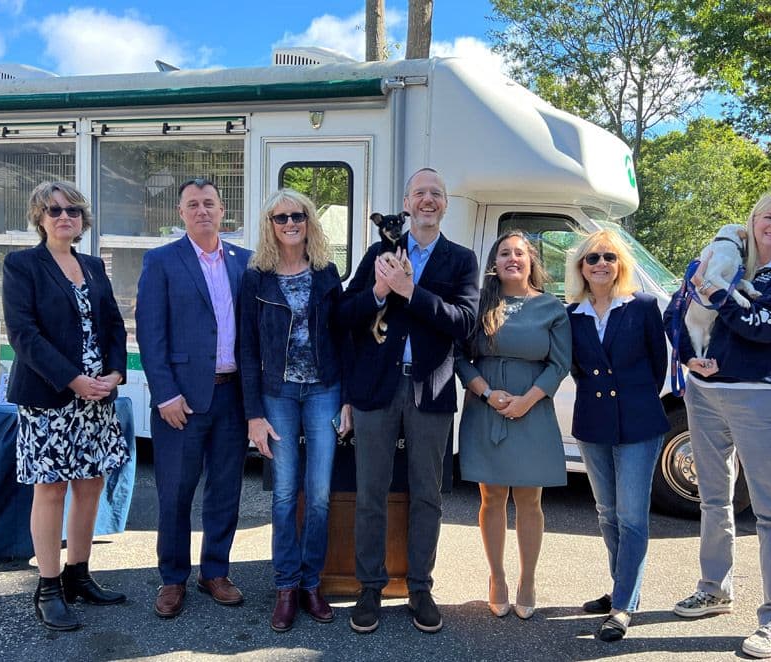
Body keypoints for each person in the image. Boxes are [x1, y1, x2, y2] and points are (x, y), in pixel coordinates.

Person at [665, 192, 771, 659]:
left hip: (758, 398)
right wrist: (688, 357)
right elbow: (676, 312)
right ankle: (714, 588)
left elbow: (763, 325)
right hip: (704, 394)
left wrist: (717, 295)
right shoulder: (725, 254)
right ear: (752, 221)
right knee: (713, 499)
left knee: (770, 509)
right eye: (767, 217)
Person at [339, 167, 479, 634]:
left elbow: (464, 323)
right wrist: (379, 292)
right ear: (406, 202)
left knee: (427, 495)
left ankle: (419, 585)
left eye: (436, 194)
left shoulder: (461, 260)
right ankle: (370, 586)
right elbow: (345, 316)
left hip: (431, 390)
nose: (427, 200)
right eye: (419, 193)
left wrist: (410, 292)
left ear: (445, 204)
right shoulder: (379, 253)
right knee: (371, 493)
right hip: (376, 389)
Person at [2, 181, 128, 631]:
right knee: (51, 488)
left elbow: (114, 324)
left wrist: (114, 373)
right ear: (39, 217)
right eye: (54, 210)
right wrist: (74, 380)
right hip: (50, 395)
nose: (64, 217)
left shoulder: (92, 265)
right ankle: (49, 587)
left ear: (82, 219)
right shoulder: (22, 265)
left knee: (91, 482)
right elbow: (23, 334)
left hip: (97, 396)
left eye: (72, 210)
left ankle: (79, 574)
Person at [136, 177, 251, 619]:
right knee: (175, 494)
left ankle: (215, 572)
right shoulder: (162, 260)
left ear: (223, 211)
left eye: (209, 203)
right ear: (181, 214)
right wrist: (164, 393)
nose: (202, 210)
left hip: (232, 397)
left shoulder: (244, 262)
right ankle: (172, 578)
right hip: (180, 401)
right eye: (192, 204)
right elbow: (151, 332)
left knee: (225, 491)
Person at [239, 188, 351, 632]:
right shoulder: (257, 277)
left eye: (297, 216)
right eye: (281, 217)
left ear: (309, 222)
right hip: (278, 393)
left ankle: (311, 584)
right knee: (285, 494)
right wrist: (253, 414)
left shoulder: (326, 273)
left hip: (325, 389)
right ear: (270, 225)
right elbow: (246, 348)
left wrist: (347, 400)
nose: (290, 224)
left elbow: (343, 337)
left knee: (319, 494)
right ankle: (286, 587)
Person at [455, 230, 571, 621]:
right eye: (504, 253)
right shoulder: (480, 304)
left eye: (519, 253)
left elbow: (559, 364)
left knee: (529, 501)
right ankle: (497, 578)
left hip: (532, 409)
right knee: (491, 498)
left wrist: (527, 401)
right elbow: (460, 358)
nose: (512, 258)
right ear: (495, 262)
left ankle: (528, 580)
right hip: (487, 406)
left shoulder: (552, 307)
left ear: (531, 261)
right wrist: (487, 393)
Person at [565, 229, 669, 641]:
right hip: (593, 423)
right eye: (592, 258)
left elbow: (657, 364)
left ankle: (624, 604)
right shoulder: (573, 315)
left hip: (639, 422)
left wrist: (634, 398)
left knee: (631, 517)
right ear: (581, 268)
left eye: (609, 257)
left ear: (620, 263)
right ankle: (622, 588)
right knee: (607, 513)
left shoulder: (642, 307)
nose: (601, 264)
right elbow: (577, 369)